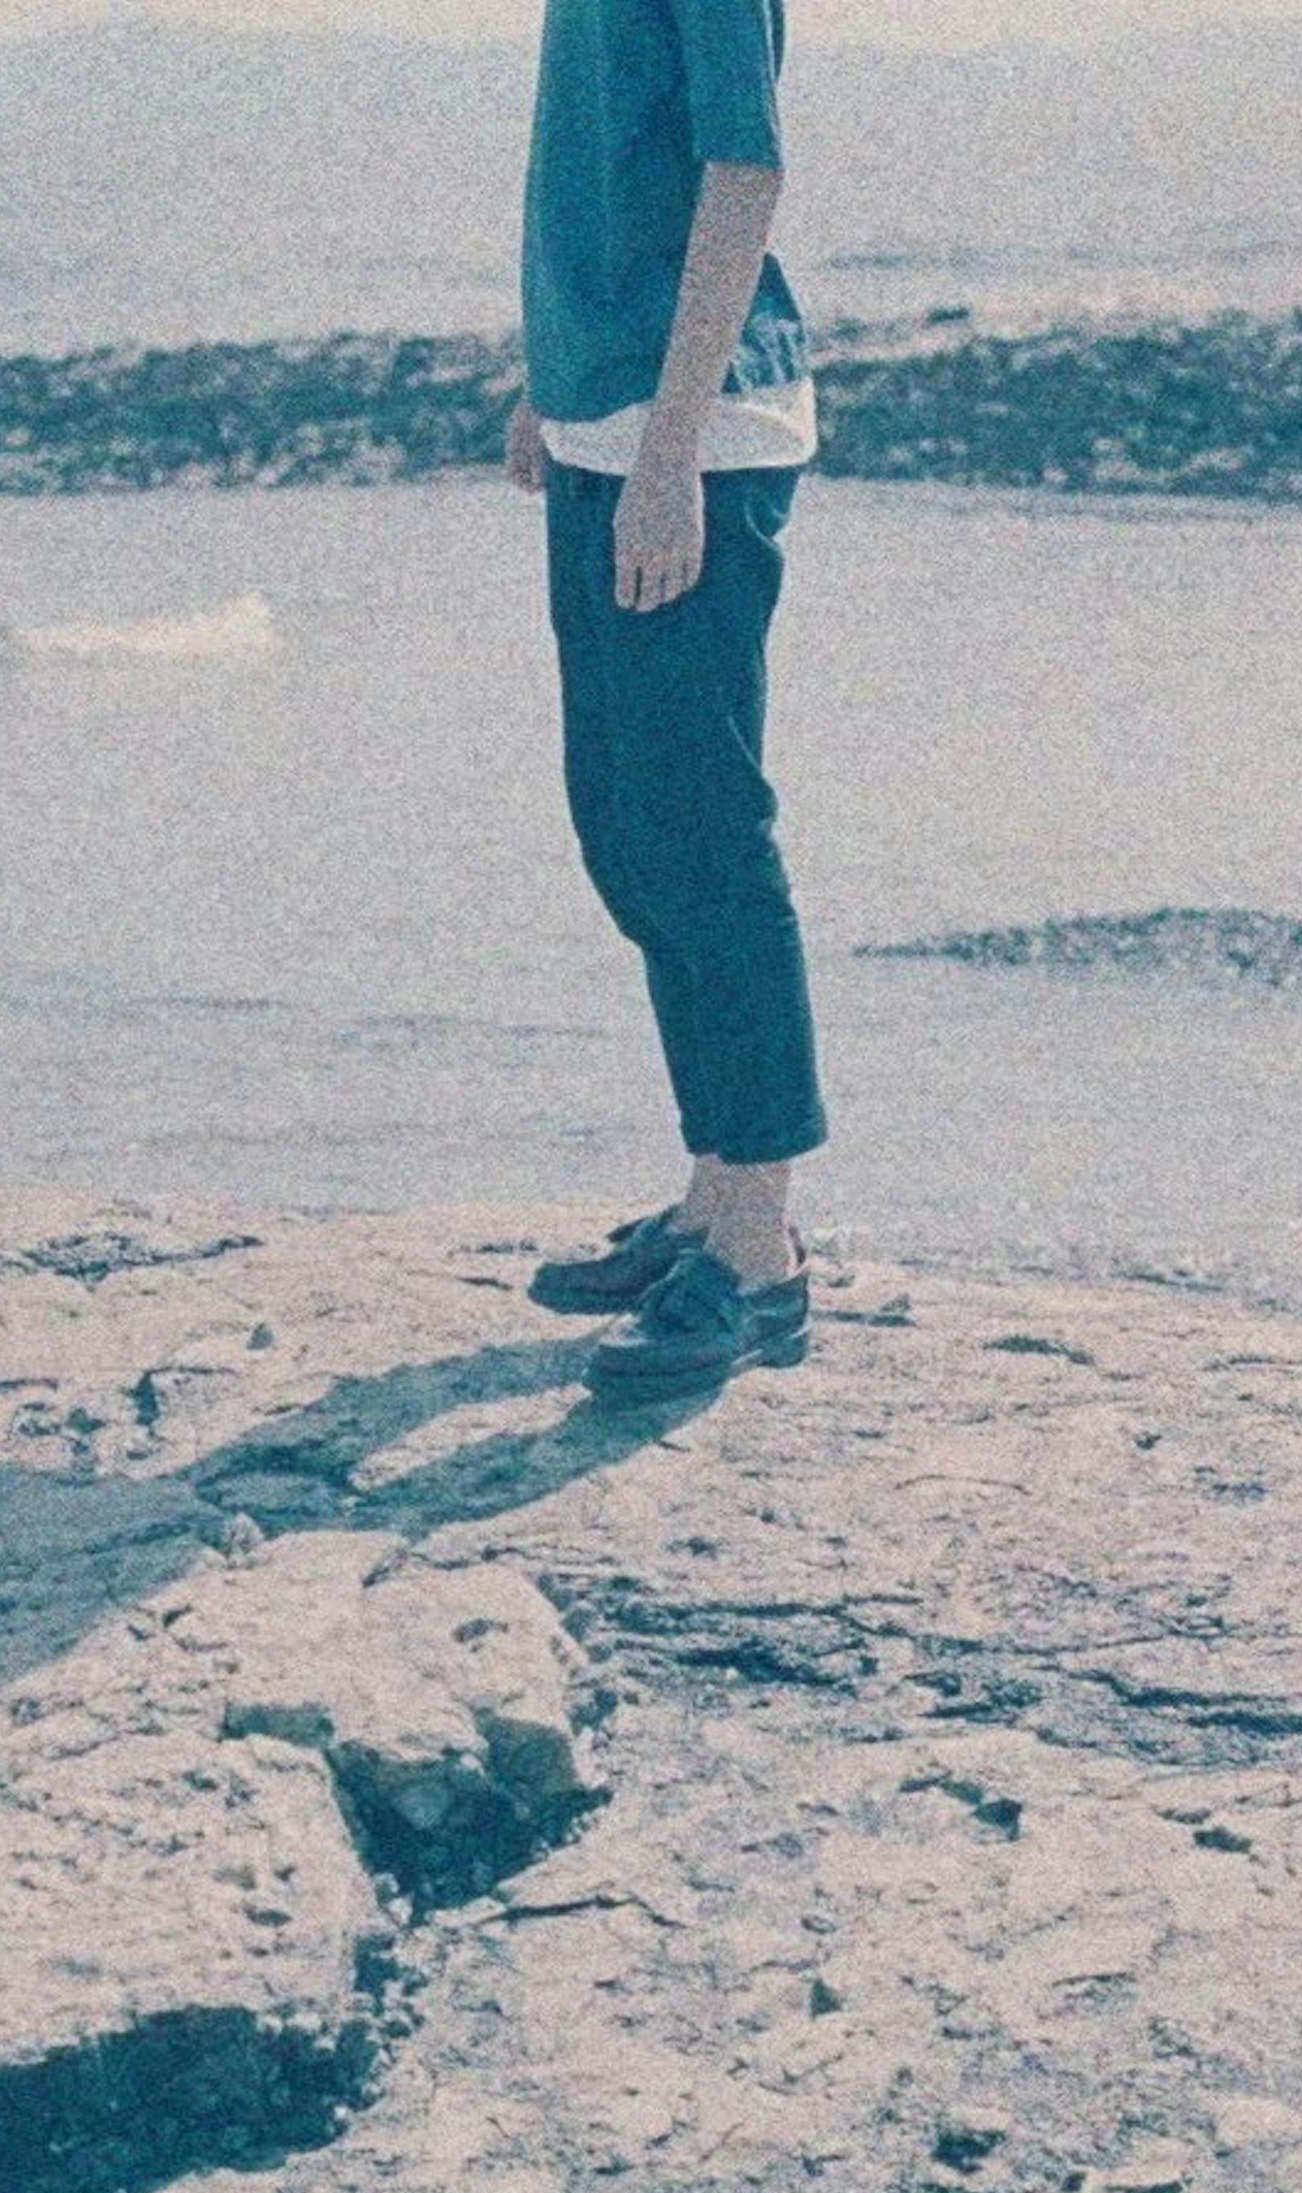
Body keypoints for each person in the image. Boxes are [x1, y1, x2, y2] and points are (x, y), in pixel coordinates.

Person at [509, 0, 826, 1402]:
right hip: (610, 418)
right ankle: (713, 1188)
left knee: (701, 826)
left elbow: (742, 170)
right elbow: (606, 159)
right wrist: (556, 389)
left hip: (688, 435)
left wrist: (668, 453)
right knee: (626, 827)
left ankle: (758, 1246)